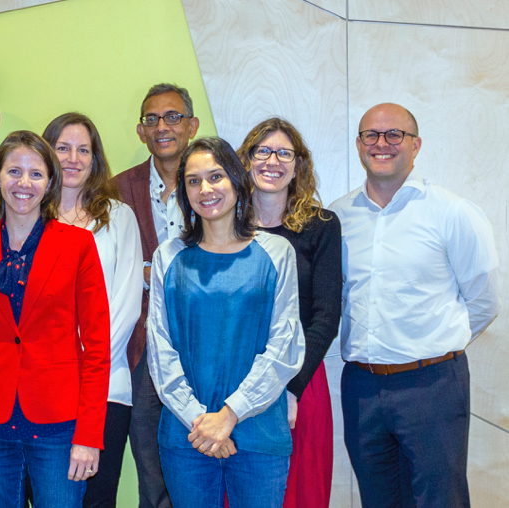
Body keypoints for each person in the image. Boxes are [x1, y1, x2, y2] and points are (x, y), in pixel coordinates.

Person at [330, 103, 499, 508]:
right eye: (371, 134)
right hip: (361, 388)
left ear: (416, 144)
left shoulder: (452, 212)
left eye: (394, 135)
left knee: (441, 500)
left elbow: (484, 302)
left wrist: (435, 346)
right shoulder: (338, 217)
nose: (381, 143)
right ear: (358, 144)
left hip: (433, 386)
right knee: (379, 500)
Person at [0, 130, 110, 508]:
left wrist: (89, 435)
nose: (24, 183)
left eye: (36, 174)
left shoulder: (78, 245)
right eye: (14, 171)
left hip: (59, 424)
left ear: (50, 182)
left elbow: (98, 348)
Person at [147, 137, 304, 508]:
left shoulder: (277, 252)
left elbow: (285, 346)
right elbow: (159, 348)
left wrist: (230, 415)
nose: (206, 189)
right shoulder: (169, 257)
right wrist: (201, 421)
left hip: (258, 432)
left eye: (215, 176)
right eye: (193, 180)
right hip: (188, 435)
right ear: (184, 193)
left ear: (236, 181)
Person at [237, 118, 340, 508]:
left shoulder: (322, 226)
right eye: (262, 151)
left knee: (299, 492)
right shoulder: (225, 227)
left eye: (284, 153)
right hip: (236, 379)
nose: (272, 161)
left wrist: (290, 389)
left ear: (298, 165)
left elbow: (326, 317)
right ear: (246, 161)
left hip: (300, 380)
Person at [42, 113, 143, 508]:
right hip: (41, 387)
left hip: (105, 385)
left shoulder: (118, 217)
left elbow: (126, 301)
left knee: (97, 498)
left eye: (83, 149)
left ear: (95, 158)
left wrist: (86, 361)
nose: (73, 158)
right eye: (62, 148)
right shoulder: (29, 217)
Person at [112, 83, 200, 508]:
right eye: (152, 119)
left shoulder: (215, 183)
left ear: (192, 125)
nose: (162, 126)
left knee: (203, 466)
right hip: (141, 352)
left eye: (173, 117)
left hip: (205, 348)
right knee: (152, 476)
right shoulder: (115, 190)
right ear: (140, 131)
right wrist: (139, 272)